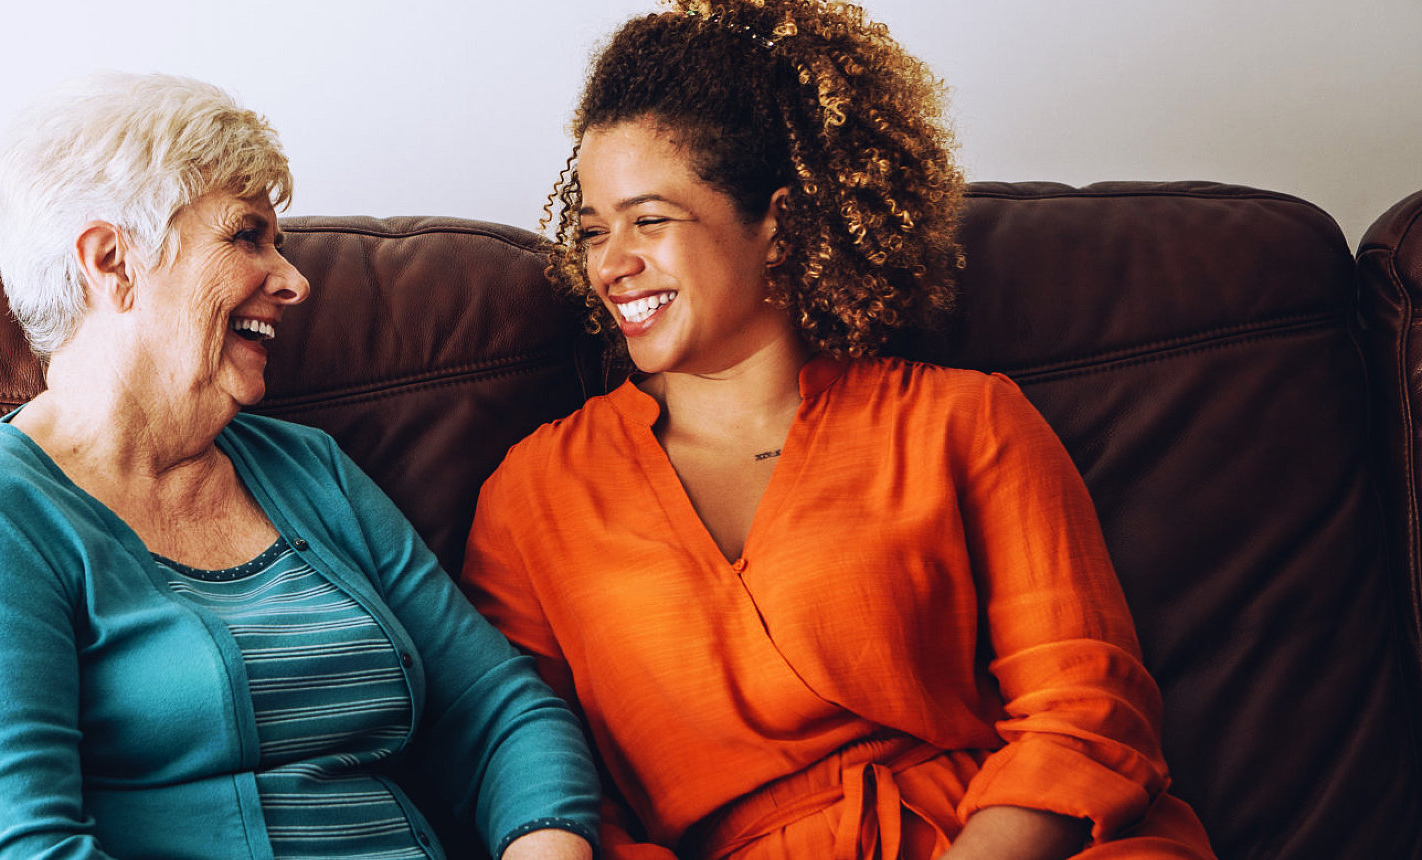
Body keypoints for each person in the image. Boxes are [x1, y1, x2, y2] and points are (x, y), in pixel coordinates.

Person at [460, 3, 1218, 859]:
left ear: (775, 223)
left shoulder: (964, 421)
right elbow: (537, 780)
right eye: (594, 230)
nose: (609, 262)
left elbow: (1085, 709)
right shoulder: (535, 494)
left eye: (650, 220)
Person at [0, 72, 599, 860]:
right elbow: (15, 850)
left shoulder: (309, 470)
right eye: (247, 236)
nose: (294, 280)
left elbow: (500, 712)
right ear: (112, 261)